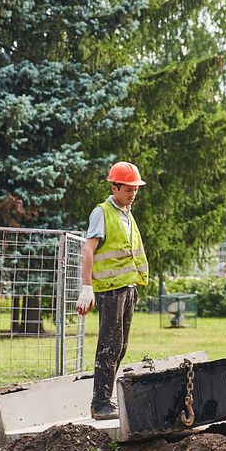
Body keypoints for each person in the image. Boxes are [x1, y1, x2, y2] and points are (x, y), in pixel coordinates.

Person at [77, 161, 148, 420]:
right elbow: (89, 250)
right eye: (128, 189)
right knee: (109, 346)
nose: (133, 193)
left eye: (135, 189)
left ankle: (106, 399)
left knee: (120, 346)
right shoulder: (102, 212)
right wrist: (87, 288)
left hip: (127, 289)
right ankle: (100, 404)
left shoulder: (127, 214)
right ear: (114, 186)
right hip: (110, 291)